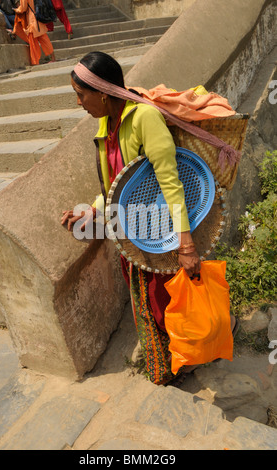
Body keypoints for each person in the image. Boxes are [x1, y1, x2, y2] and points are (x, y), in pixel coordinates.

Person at [61, 51, 237, 386]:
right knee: (150, 298)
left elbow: (171, 182)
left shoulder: (144, 118)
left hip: (163, 229)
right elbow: (116, 182)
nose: (79, 102)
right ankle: (174, 359)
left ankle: (198, 347)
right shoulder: (106, 123)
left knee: (167, 297)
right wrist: (91, 210)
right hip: (135, 229)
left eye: (81, 95)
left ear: (101, 92)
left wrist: (186, 245)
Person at [13, 0, 56, 65]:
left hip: (31, 20)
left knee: (33, 43)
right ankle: (53, 58)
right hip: (38, 18)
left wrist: (16, 10)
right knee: (45, 40)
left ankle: (35, 62)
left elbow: (23, 8)